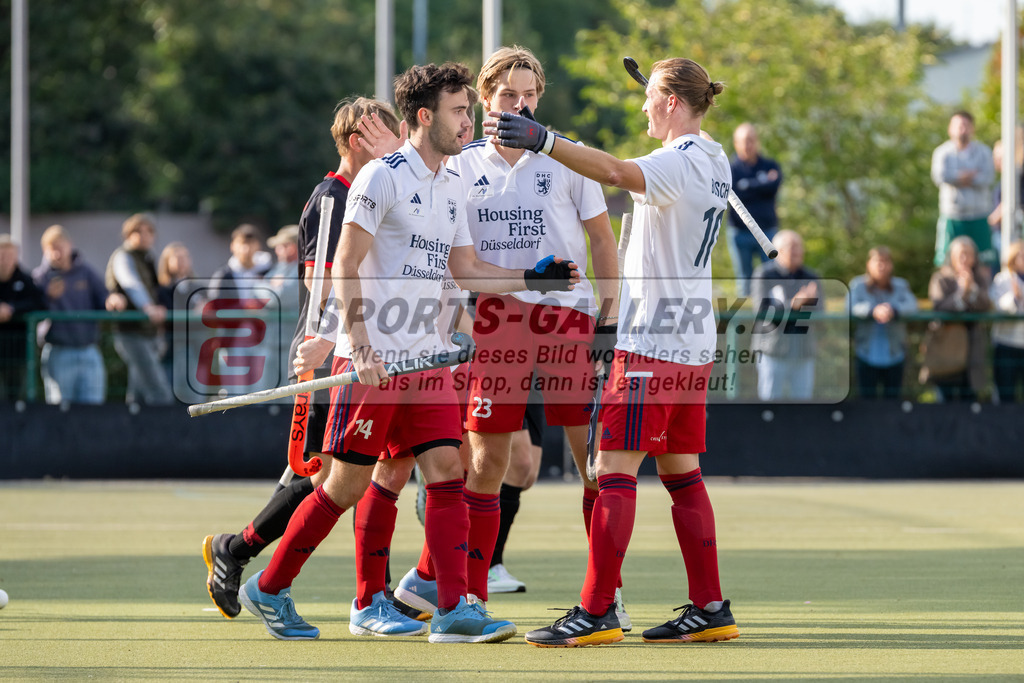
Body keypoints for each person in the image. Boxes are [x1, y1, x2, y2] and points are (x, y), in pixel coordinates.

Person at [237, 61, 580, 644]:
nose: (468, 121)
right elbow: (345, 264)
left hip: (428, 361)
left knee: (448, 470)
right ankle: (269, 588)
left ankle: (453, 611)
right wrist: (361, 345)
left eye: (469, 109)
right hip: (371, 363)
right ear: (425, 116)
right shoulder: (381, 177)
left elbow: (462, 269)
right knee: (344, 487)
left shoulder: (452, 183)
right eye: (458, 111)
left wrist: (528, 279)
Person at [487, 56, 739, 646]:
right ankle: (710, 607)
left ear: (673, 103)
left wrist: (545, 140)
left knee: (611, 470)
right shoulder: (714, 155)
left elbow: (613, 171)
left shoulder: (678, 161)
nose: (643, 105)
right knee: (683, 474)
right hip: (692, 343)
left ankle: (597, 610)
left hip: (653, 342)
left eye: (651, 97)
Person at [392, 45, 621, 614]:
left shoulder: (568, 157)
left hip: (569, 319)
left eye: (531, 96)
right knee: (488, 464)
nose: (521, 105)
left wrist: (608, 323)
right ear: (487, 99)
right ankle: (467, 596)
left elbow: (602, 242)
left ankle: (605, 598)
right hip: (497, 322)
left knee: (594, 460)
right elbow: (448, 258)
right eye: (509, 95)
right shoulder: (462, 164)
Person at [201, 96, 413, 628]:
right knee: (319, 472)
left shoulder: (378, 192)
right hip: (325, 356)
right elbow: (322, 276)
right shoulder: (333, 195)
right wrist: (319, 340)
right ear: (355, 141)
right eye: (381, 134)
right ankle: (238, 552)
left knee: (336, 472)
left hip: (363, 352)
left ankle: (360, 589)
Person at [33, 225, 113, 405]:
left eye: (60, 247)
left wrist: (112, 301)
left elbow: (103, 296)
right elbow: (33, 310)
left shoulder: (86, 272)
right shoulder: (40, 278)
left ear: (70, 245)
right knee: (61, 410)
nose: (57, 254)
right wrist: (47, 298)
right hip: (58, 350)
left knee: (93, 410)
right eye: (51, 249)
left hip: (89, 350)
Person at [105, 213, 175, 405]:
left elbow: (156, 290)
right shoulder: (123, 256)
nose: (144, 236)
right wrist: (148, 308)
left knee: (138, 393)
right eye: (138, 231)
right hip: (131, 333)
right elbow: (131, 284)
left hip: (148, 333)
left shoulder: (147, 258)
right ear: (128, 234)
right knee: (158, 390)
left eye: (149, 232)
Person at [750, 229, 822, 402]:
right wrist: (795, 304)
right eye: (792, 247)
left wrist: (808, 303)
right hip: (772, 351)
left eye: (799, 247)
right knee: (770, 405)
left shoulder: (811, 277)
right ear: (778, 250)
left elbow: (821, 314)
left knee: (802, 405)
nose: (797, 251)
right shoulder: (764, 274)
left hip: (803, 352)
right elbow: (762, 312)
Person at [848, 246, 918, 400]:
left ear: (891, 265)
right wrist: (873, 311)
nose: (881, 266)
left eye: (885, 262)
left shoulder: (901, 285)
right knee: (867, 402)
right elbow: (850, 306)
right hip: (866, 353)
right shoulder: (858, 285)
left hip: (895, 353)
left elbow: (912, 305)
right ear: (869, 264)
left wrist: (893, 310)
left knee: (892, 401)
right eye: (877, 261)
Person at [927, 235, 991, 402]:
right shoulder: (941, 278)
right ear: (952, 256)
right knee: (945, 395)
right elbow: (939, 307)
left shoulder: (980, 278)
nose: (964, 259)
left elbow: (986, 305)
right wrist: (962, 293)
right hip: (947, 345)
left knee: (969, 395)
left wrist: (973, 288)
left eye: (968, 254)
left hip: (972, 345)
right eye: (960, 254)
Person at [932, 111, 996, 271]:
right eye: (958, 126)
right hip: (953, 216)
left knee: (984, 260)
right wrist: (966, 176)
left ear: (972, 128)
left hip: (979, 215)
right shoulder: (942, 152)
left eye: (966, 125)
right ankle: (948, 295)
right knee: (946, 261)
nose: (962, 130)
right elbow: (939, 177)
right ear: (950, 129)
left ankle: (982, 295)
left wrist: (958, 178)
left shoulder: (984, 152)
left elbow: (988, 177)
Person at [727, 122, 781, 296]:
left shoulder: (770, 165)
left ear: (757, 141)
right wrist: (761, 183)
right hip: (739, 232)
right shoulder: (729, 169)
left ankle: (773, 320)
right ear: (736, 143)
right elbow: (732, 191)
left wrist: (747, 186)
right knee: (744, 281)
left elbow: (773, 187)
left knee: (773, 278)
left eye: (750, 140)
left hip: (767, 231)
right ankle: (746, 320)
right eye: (743, 141)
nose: (747, 145)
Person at [0, 234, 45, 402]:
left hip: (19, 355)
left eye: (8, 255)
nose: (4, 260)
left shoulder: (25, 280)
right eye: (1, 255)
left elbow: (40, 303)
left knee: (19, 401)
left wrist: (12, 309)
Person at [156, 242, 194, 388]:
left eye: (184, 257)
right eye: (177, 258)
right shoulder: (162, 289)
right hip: (169, 348)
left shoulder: (196, 286)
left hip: (194, 346)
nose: (181, 261)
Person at [990, 240, 1024, 403]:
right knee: (1006, 394)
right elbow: (997, 305)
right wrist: (1015, 298)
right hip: (1006, 344)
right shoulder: (1002, 279)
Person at [206, 224, 273, 306]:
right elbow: (215, 306)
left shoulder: (269, 272)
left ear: (258, 245)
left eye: (251, 243)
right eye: (242, 243)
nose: (246, 249)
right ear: (232, 246)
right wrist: (244, 310)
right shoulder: (223, 275)